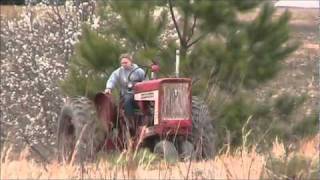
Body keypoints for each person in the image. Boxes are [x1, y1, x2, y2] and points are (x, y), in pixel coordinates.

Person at [104, 53, 146, 122]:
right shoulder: (119, 72)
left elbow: (146, 81)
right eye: (122, 63)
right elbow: (112, 79)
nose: (124, 64)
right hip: (126, 94)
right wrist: (109, 88)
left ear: (131, 62)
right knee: (127, 99)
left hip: (139, 94)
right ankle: (130, 121)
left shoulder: (139, 71)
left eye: (125, 62)